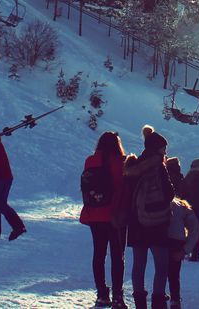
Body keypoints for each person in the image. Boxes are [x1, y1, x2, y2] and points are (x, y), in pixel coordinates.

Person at [124, 130, 175, 309]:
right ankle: (158, 302)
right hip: (157, 222)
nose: (165, 152)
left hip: (137, 222)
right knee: (162, 265)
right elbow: (169, 193)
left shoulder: (133, 165)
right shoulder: (158, 166)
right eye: (163, 148)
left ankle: (140, 304)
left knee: (139, 265)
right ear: (157, 149)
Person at [80, 131, 128, 308]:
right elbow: (124, 188)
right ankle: (117, 296)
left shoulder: (90, 160)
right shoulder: (120, 162)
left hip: (94, 213)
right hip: (115, 215)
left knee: (99, 254)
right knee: (117, 256)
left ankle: (101, 294)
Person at [164, 158, 199, 309]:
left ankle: (161, 295)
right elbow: (195, 228)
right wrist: (186, 249)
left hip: (163, 238)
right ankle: (175, 299)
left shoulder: (162, 193)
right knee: (173, 273)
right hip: (177, 239)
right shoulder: (182, 200)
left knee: (163, 271)